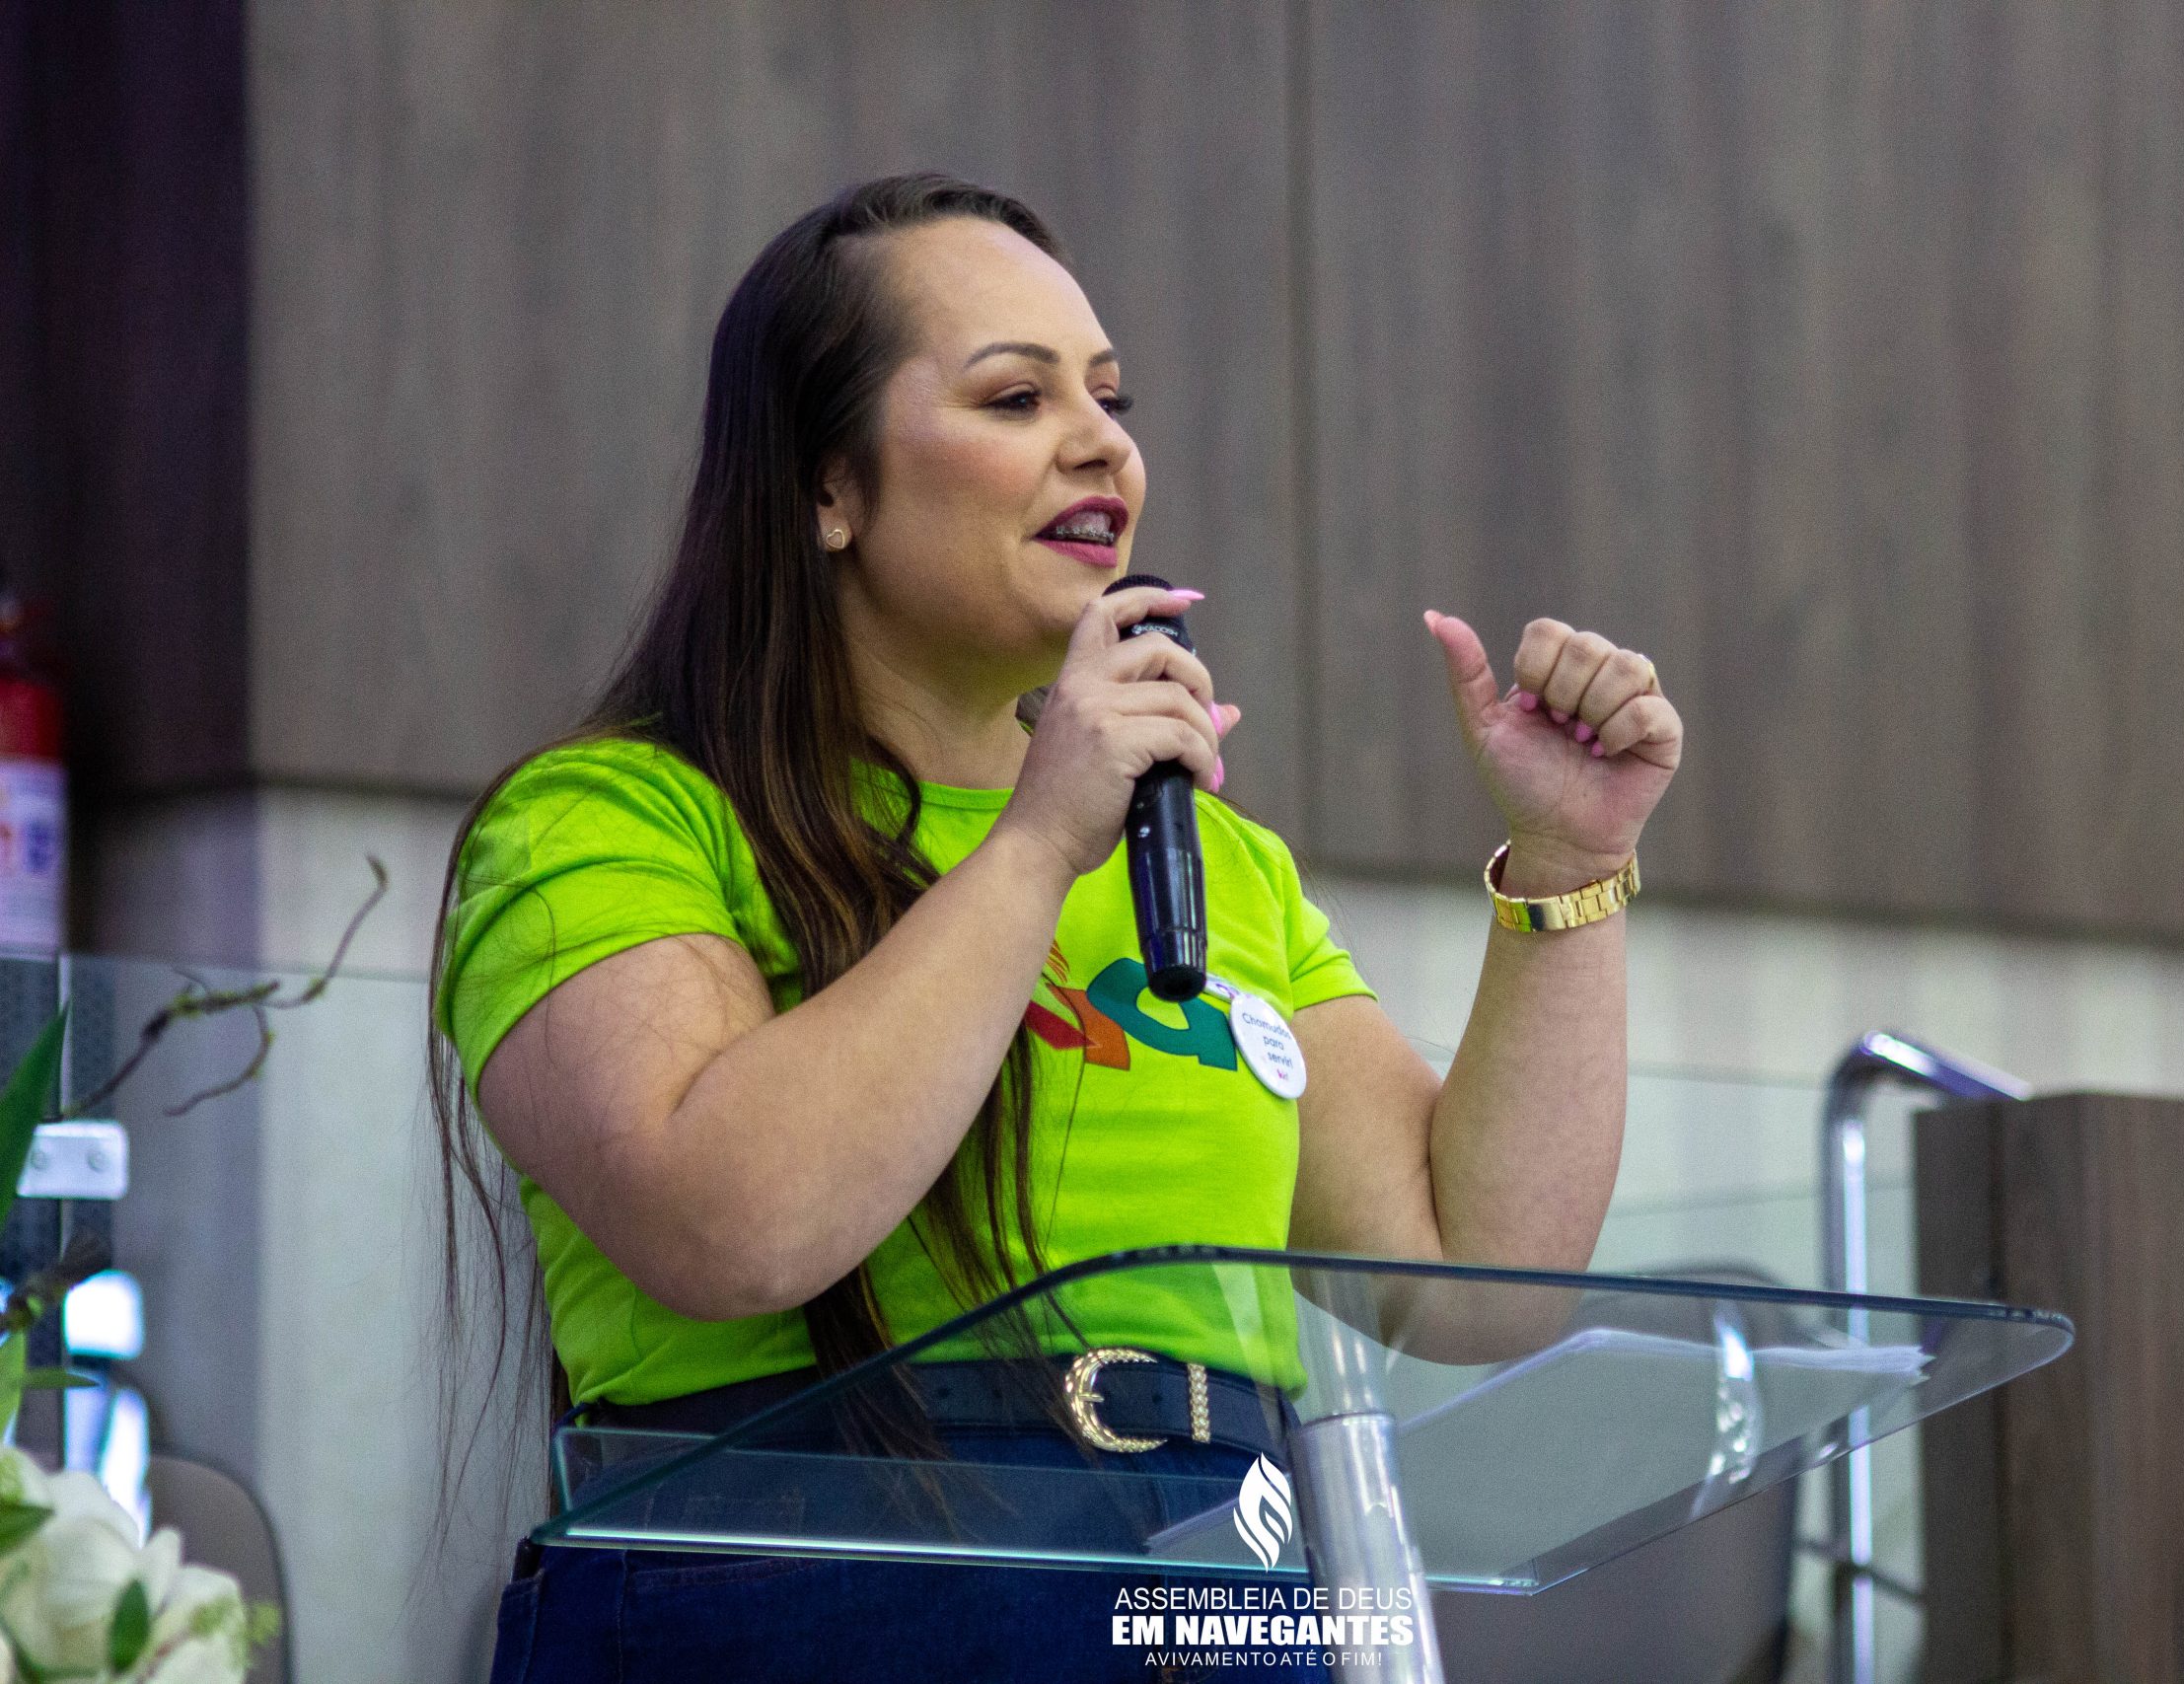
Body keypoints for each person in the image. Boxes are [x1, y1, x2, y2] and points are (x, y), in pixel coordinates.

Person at [430, 173, 1681, 1683]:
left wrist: (1569, 858)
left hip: (1217, 1585)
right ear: (827, 487)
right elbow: (730, 1226)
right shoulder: (607, 819)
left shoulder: (1220, 862)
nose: (1102, 444)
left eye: (1109, 396)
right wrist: (1037, 842)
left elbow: (1476, 1270)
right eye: (1016, 398)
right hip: (811, 1598)